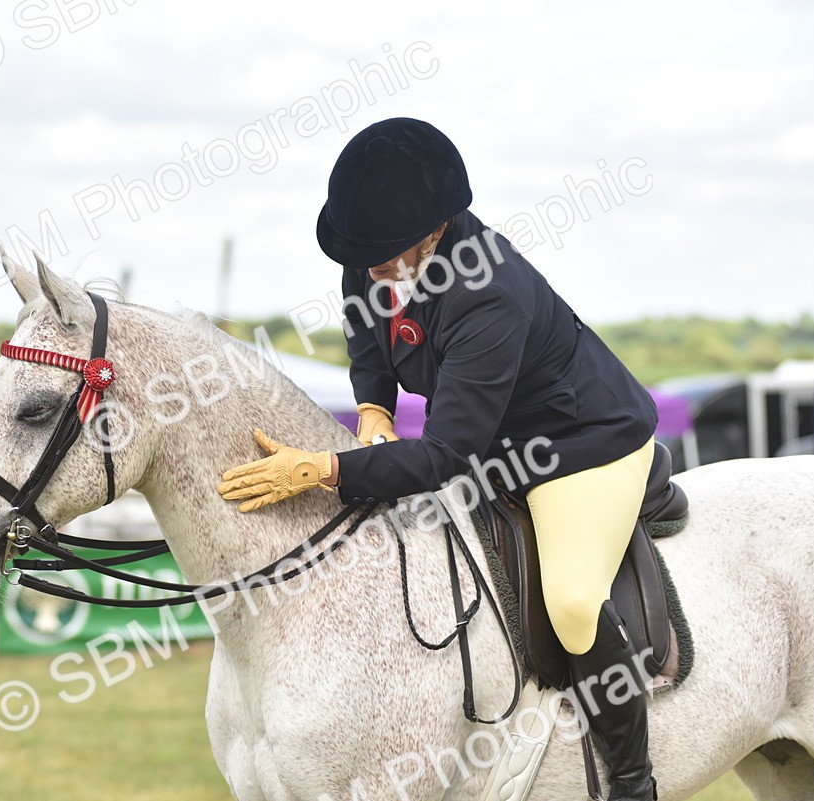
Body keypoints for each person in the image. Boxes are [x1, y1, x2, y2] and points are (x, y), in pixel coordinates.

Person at [216, 117, 661, 801]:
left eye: (383, 254)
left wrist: (321, 470)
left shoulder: (490, 292)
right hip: (491, 441)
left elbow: (447, 456)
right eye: (361, 254)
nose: (367, 268)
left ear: (434, 230)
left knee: (572, 602)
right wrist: (373, 410)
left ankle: (634, 782)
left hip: (579, 444)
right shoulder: (374, 248)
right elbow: (366, 331)